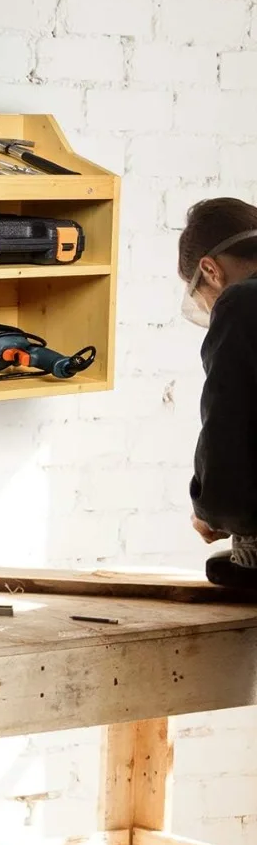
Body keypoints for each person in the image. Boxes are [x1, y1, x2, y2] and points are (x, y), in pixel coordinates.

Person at [179, 198, 257, 589]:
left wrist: (211, 511)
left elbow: (227, 423)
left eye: (204, 294)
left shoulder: (242, 302)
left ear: (210, 270)